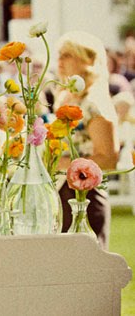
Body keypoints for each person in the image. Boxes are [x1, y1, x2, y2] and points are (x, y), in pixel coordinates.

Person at [55, 31, 120, 247]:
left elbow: (109, 158)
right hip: (63, 191)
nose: (60, 61)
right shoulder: (65, 97)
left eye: (68, 55)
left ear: (88, 61)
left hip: (87, 196)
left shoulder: (95, 103)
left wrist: (63, 164)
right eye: (59, 55)